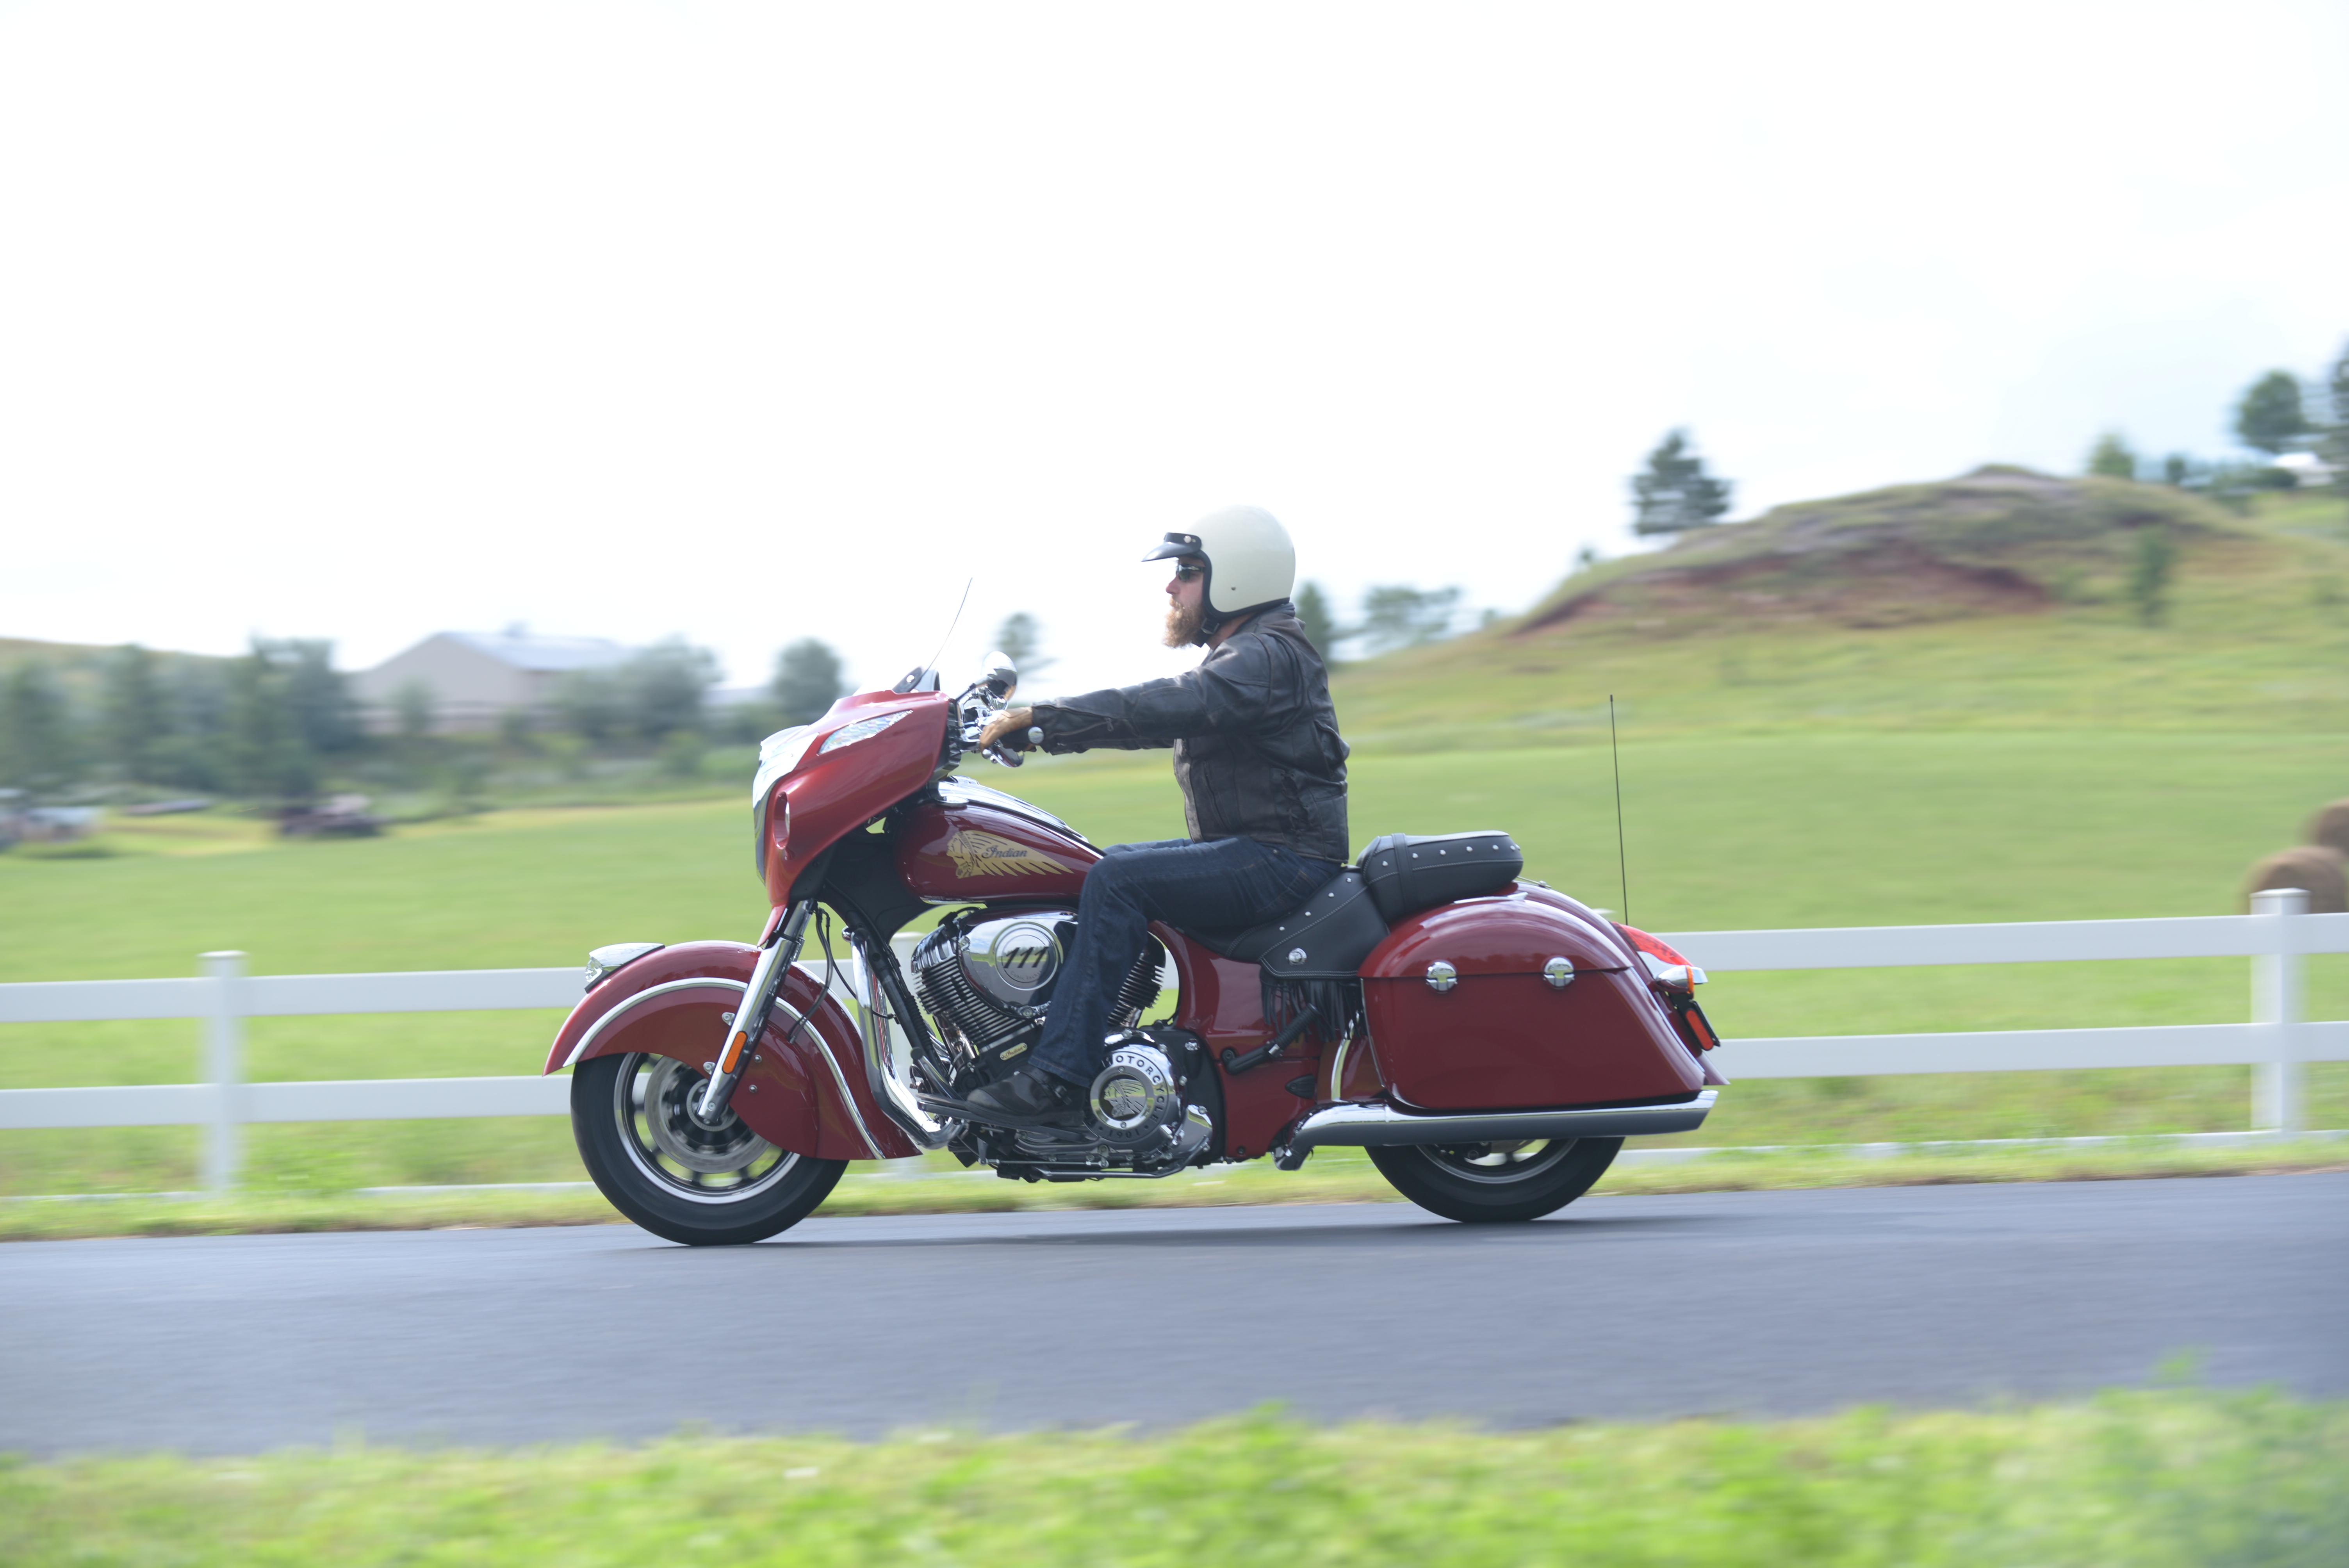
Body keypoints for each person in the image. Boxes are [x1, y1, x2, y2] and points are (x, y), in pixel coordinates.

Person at [966, 505, 1351, 1117]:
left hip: (1284, 860)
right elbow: (1160, 716)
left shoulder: (1266, 658)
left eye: (1189, 572)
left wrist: (1045, 720)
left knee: (1117, 881)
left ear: (1236, 578)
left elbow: (1172, 705)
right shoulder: (1248, 655)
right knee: (1101, 867)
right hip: (1266, 852)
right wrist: (1032, 731)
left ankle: (1058, 1076)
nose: (1172, 586)